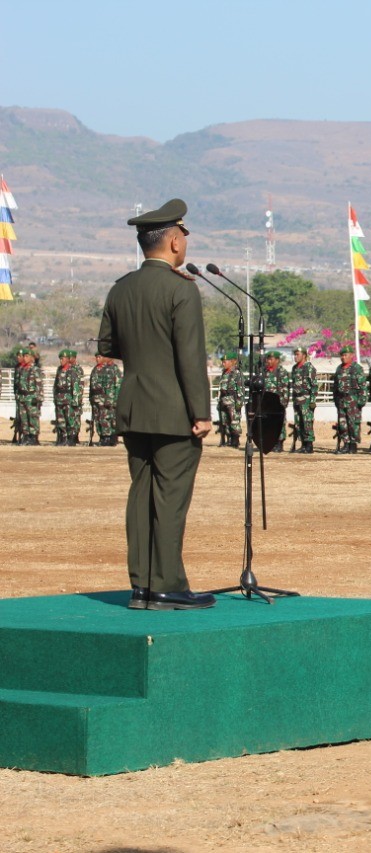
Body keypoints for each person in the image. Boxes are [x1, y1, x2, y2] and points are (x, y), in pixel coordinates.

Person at [97, 198, 215, 611]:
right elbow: (189, 356)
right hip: (174, 412)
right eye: (182, 234)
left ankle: (142, 586)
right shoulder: (180, 290)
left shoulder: (121, 287)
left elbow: (107, 346)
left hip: (134, 407)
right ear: (173, 243)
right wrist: (201, 413)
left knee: (140, 496)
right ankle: (167, 585)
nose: (184, 241)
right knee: (170, 499)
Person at [332, 345, 367, 454]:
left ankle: (353, 445)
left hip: (353, 401)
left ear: (352, 355)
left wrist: (361, 400)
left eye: (345, 355)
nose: (343, 357)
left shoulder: (357, 368)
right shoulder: (339, 368)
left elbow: (363, 386)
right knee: (342, 424)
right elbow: (335, 386)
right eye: (342, 355)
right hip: (341, 401)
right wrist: (336, 400)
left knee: (353, 424)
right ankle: (346, 444)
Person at [12, 345, 43, 445]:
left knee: (32, 417)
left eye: (26, 356)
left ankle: (33, 437)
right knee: (24, 418)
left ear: (31, 358)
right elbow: (17, 384)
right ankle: (26, 436)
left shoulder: (35, 369)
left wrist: (38, 398)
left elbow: (39, 385)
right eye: (23, 356)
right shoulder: (21, 369)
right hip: (22, 397)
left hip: (32, 397)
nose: (24, 358)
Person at [288, 346, 317, 454]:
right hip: (297, 399)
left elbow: (314, 385)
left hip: (306, 399)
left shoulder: (309, 367)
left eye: (297, 354)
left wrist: (313, 401)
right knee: (298, 422)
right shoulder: (295, 368)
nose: (295, 357)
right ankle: (303, 444)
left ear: (304, 355)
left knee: (307, 422)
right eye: (295, 354)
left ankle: (309, 445)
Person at [53, 349, 85, 446]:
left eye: (63, 358)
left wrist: (75, 401)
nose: (61, 360)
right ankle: (62, 438)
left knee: (70, 420)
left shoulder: (72, 370)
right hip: (59, 400)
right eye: (60, 359)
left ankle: (72, 438)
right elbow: (55, 386)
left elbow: (76, 387)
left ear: (67, 359)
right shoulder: (59, 370)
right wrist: (55, 398)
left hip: (68, 400)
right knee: (60, 421)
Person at [89, 353, 122, 446]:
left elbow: (116, 386)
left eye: (99, 357)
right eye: (96, 357)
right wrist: (91, 398)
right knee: (98, 419)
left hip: (106, 399)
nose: (97, 359)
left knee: (106, 419)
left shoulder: (110, 369)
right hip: (96, 399)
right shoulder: (95, 369)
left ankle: (108, 438)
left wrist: (112, 400)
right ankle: (102, 437)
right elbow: (92, 386)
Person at [215, 353, 246, 449]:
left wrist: (239, 403)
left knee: (234, 421)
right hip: (224, 399)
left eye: (225, 361)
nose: (223, 363)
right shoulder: (224, 372)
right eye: (222, 362)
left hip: (233, 400)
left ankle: (235, 440)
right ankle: (228, 439)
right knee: (224, 421)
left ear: (232, 362)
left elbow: (241, 389)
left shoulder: (237, 373)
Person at [261, 350, 288, 452]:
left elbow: (285, 389)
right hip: (267, 403)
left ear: (277, 360)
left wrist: (283, 403)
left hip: (278, 402)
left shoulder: (282, 372)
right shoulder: (264, 371)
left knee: (279, 423)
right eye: (268, 358)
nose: (268, 361)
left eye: (271, 359)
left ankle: (279, 444)